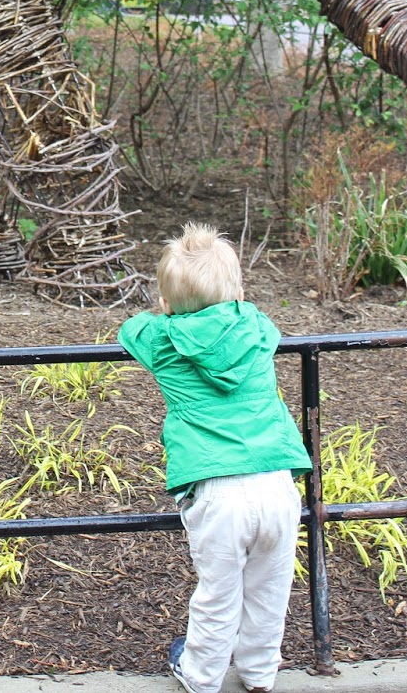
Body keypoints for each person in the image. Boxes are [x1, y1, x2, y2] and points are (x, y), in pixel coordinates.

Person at [117, 223, 312, 693]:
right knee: (269, 590)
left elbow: (130, 330)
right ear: (239, 293)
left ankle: (202, 676)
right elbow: (252, 317)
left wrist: (167, 315)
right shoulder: (259, 329)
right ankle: (260, 673)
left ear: (166, 305)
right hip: (275, 481)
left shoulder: (162, 340)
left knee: (218, 593)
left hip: (216, 487)